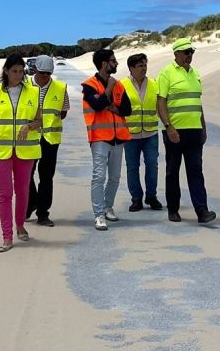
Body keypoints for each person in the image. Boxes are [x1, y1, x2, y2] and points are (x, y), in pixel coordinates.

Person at [0, 54, 42, 252]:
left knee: (23, 191)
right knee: (4, 194)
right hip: (0, 151)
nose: (18, 75)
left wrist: (29, 126)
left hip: (26, 150)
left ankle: (20, 225)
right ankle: (7, 236)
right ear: (5, 71)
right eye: (14, 71)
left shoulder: (33, 92)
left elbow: (40, 121)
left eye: (21, 71)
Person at [156, 38, 217, 224]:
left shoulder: (195, 73)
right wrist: (168, 127)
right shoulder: (166, 73)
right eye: (186, 52)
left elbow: (197, 103)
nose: (189, 55)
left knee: (196, 171)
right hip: (175, 131)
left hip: (194, 131)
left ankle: (202, 211)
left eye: (191, 52)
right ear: (176, 54)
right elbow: (160, 102)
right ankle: (173, 209)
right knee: (172, 171)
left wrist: (203, 127)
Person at [82, 49, 132, 231]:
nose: (116, 63)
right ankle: (99, 215)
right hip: (99, 138)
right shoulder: (89, 85)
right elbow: (97, 105)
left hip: (118, 138)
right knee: (99, 176)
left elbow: (127, 109)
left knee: (115, 177)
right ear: (104, 64)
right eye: (113, 60)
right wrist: (108, 89)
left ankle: (107, 207)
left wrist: (114, 107)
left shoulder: (119, 85)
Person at [26, 55, 70, 227]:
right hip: (29, 138)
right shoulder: (24, 86)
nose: (45, 76)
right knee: (26, 174)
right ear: (35, 69)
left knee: (46, 177)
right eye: (42, 72)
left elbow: (63, 112)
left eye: (48, 73)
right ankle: (32, 202)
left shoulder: (60, 88)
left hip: (50, 139)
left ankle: (43, 213)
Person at [120, 53, 164, 212]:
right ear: (131, 68)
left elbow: (160, 106)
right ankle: (136, 199)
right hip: (130, 134)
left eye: (145, 65)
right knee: (132, 167)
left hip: (150, 133)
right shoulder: (122, 85)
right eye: (140, 66)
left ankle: (151, 196)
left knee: (152, 165)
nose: (144, 68)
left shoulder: (154, 84)